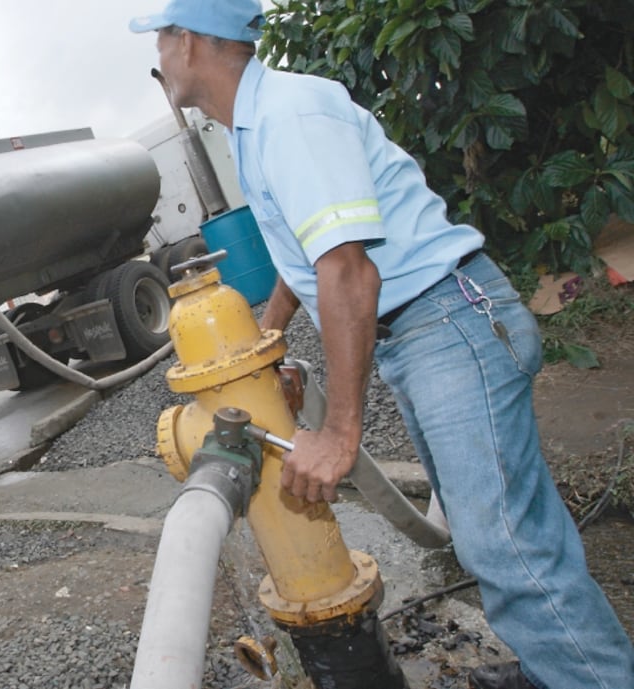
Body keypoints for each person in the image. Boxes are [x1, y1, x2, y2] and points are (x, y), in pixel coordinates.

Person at [129, 1, 634, 688]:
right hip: (429, 333)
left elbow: (348, 270)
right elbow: (300, 251)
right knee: (510, 541)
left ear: (188, 43)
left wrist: (339, 432)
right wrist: (271, 345)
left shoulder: (288, 116)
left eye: (161, 39)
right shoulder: (255, 125)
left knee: (511, 556)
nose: (157, 57)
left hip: (447, 325)